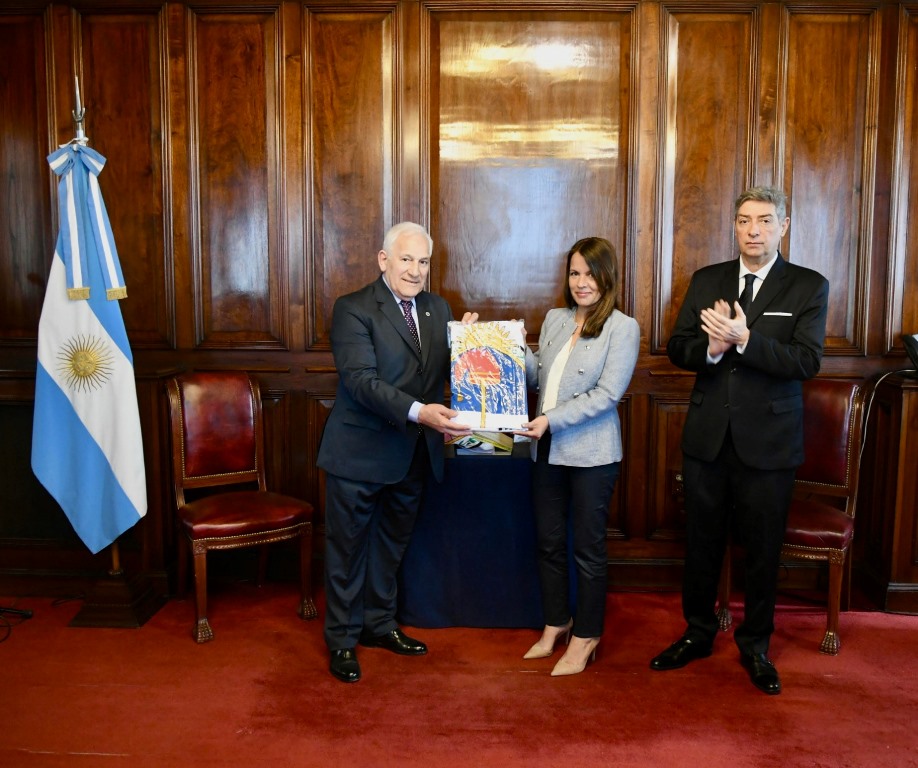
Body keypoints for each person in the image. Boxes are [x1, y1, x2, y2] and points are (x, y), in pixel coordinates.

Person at [649, 186, 829, 695]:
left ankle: (756, 646)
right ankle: (697, 633)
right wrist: (708, 347)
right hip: (708, 438)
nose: (754, 230)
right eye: (745, 221)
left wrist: (746, 340)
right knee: (701, 545)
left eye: (765, 221)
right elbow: (677, 347)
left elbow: (805, 362)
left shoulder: (807, 286)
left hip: (769, 444)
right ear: (734, 226)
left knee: (763, 551)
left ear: (784, 226)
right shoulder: (707, 280)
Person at [316, 222, 477, 683]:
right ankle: (343, 640)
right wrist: (420, 412)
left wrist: (466, 346)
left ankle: (379, 624)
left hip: (412, 455)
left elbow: (440, 372)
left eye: (423, 261)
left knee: (390, 546)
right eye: (406, 259)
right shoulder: (353, 309)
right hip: (359, 454)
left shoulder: (437, 307)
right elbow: (362, 382)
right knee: (347, 551)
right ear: (384, 260)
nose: (415, 270)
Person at [516, 236, 639, 677]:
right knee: (548, 543)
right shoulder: (554, 318)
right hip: (544, 447)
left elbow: (607, 396)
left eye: (590, 273)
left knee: (587, 549)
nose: (581, 282)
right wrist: (505, 345)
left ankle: (586, 635)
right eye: (574, 273)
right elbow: (537, 376)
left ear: (607, 277)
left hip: (591, 454)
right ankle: (557, 622)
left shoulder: (623, 327)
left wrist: (551, 420)